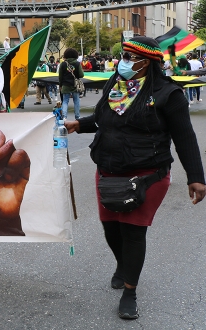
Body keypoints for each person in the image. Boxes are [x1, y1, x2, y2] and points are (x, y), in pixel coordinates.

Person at [64, 37, 205, 320]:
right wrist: (79, 124)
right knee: (110, 227)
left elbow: (185, 136)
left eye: (130, 57)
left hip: (147, 175)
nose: (123, 62)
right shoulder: (115, 84)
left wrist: (196, 177)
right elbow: (105, 116)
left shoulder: (168, 94)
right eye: (123, 55)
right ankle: (123, 264)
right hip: (107, 168)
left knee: (132, 230)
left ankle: (130, 290)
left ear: (147, 62)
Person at [58, 48, 84, 120]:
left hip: (65, 85)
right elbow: (81, 75)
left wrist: (60, 85)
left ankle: (64, 117)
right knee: (76, 101)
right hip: (75, 85)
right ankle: (77, 116)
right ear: (75, 55)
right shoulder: (77, 64)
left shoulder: (63, 64)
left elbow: (60, 76)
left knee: (65, 101)